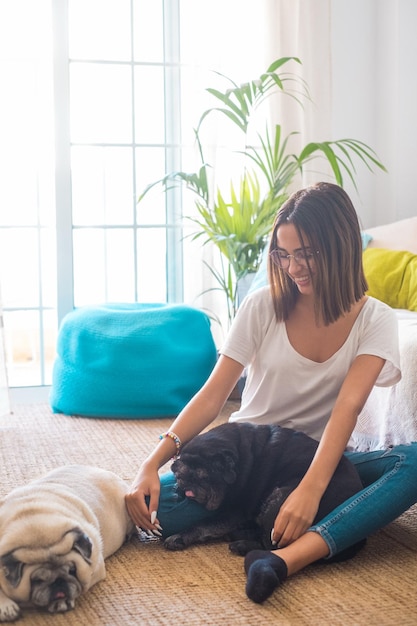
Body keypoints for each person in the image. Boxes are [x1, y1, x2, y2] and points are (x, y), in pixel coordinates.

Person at [126, 182, 417, 603]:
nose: (293, 267)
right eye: (283, 254)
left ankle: (283, 559)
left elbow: (348, 408)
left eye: (307, 254)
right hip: (244, 462)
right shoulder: (263, 306)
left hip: (315, 460)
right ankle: (266, 524)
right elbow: (213, 395)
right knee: (145, 513)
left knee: (411, 465)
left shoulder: (376, 318)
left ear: (342, 246)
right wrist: (152, 462)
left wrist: (310, 491)